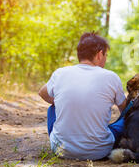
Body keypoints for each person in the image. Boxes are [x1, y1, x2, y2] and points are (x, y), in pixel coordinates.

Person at [38, 32, 127, 160]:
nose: (105, 59)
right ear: (99, 54)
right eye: (106, 55)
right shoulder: (111, 77)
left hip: (61, 149)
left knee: (52, 108)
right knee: (129, 117)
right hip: (100, 151)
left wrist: (60, 101)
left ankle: (65, 139)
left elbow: (42, 92)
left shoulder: (61, 73)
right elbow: (125, 110)